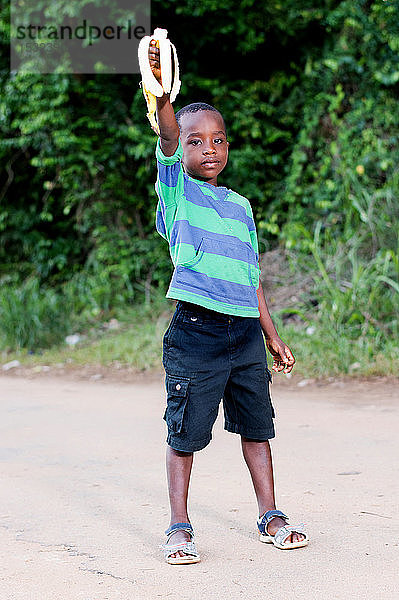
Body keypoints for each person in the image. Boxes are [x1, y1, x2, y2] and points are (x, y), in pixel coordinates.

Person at [148, 39, 309, 564]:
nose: (208, 149)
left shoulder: (240, 207)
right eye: (197, 142)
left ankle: (270, 514)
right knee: (186, 434)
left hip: (243, 335)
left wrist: (272, 334)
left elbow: (252, 278)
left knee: (258, 428)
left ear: (228, 147)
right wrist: (164, 98)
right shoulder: (177, 192)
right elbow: (168, 137)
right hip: (196, 332)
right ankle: (179, 525)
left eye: (217, 140)